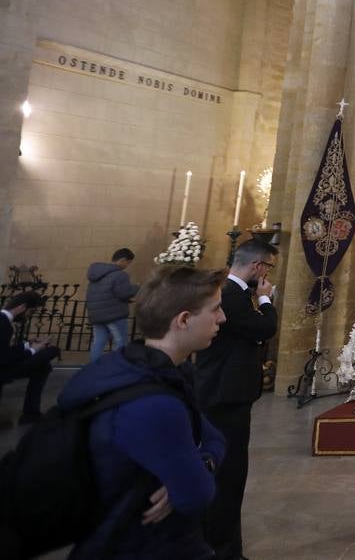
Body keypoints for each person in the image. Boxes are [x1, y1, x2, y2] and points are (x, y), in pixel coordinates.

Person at [58, 265, 228, 559]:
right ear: (184, 320)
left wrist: (200, 462)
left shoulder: (132, 367)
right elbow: (195, 495)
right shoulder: (155, 401)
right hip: (140, 546)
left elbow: (215, 438)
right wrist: (195, 472)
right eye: (215, 309)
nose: (222, 318)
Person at [194, 240, 277, 560]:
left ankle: (220, 544)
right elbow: (265, 327)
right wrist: (266, 298)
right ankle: (225, 550)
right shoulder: (230, 295)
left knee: (227, 473)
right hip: (225, 396)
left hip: (225, 393)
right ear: (258, 267)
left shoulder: (230, 294)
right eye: (268, 267)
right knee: (229, 476)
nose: (268, 273)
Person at [0, 291, 59, 424]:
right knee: (51, 352)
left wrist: (28, 345)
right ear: (22, 307)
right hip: (2, 370)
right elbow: (3, 358)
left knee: (43, 366)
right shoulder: (4, 324)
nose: (28, 316)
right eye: (30, 312)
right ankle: (30, 414)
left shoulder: (2, 320)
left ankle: (31, 414)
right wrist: (33, 350)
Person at [87, 247, 140, 361]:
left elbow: (107, 294)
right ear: (123, 260)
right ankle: (118, 368)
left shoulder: (96, 274)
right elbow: (123, 293)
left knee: (98, 341)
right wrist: (136, 287)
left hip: (96, 314)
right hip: (114, 314)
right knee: (121, 341)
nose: (127, 265)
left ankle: (93, 368)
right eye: (128, 262)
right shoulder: (120, 275)